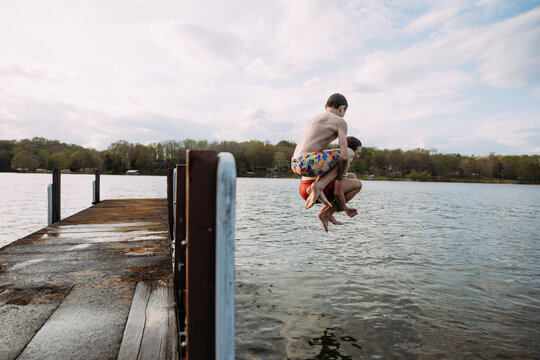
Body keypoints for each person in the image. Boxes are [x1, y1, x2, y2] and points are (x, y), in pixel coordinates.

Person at [291, 93, 351, 209]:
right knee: (349, 152)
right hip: (308, 161)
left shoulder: (315, 118)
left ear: (326, 107)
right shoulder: (340, 121)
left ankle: (318, 187)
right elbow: (344, 156)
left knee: (330, 155)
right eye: (344, 112)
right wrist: (341, 174)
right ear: (342, 108)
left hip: (294, 163)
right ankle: (319, 186)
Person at [298, 136, 363, 232]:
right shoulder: (345, 159)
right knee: (357, 184)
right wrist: (345, 208)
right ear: (351, 152)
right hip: (312, 190)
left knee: (352, 176)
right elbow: (337, 192)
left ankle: (327, 213)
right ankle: (326, 214)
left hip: (304, 186)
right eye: (358, 153)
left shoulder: (334, 155)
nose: (358, 156)